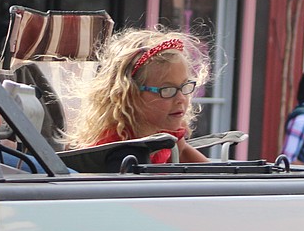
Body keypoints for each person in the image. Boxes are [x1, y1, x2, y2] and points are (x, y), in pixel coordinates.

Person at [66, 28, 209, 164]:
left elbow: (182, 153)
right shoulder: (119, 148)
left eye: (185, 86)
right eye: (167, 90)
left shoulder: (167, 129)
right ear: (129, 95)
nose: (181, 99)